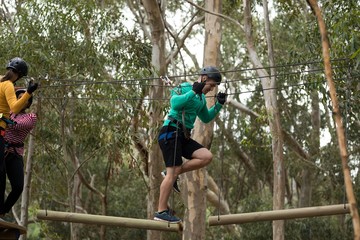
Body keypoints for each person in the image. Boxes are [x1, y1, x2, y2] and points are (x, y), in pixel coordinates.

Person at [154, 66, 227, 223]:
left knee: (206, 156)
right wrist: (193, 91)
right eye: (211, 85)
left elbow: (206, 117)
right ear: (204, 78)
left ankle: (171, 174)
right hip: (171, 131)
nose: (212, 89)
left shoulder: (201, 99)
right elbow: (174, 103)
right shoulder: (186, 87)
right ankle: (161, 211)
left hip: (183, 136)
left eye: (214, 87)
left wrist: (219, 105)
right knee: (172, 171)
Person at [0, 57, 38, 218]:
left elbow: (15, 124)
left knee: (18, 186)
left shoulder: (30, 118)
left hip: (14, 153)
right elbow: (11, 111)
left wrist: (5, 117)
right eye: (18, 97)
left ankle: (2, 210)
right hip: (3, 146)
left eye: (24, 99)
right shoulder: (9, 107)